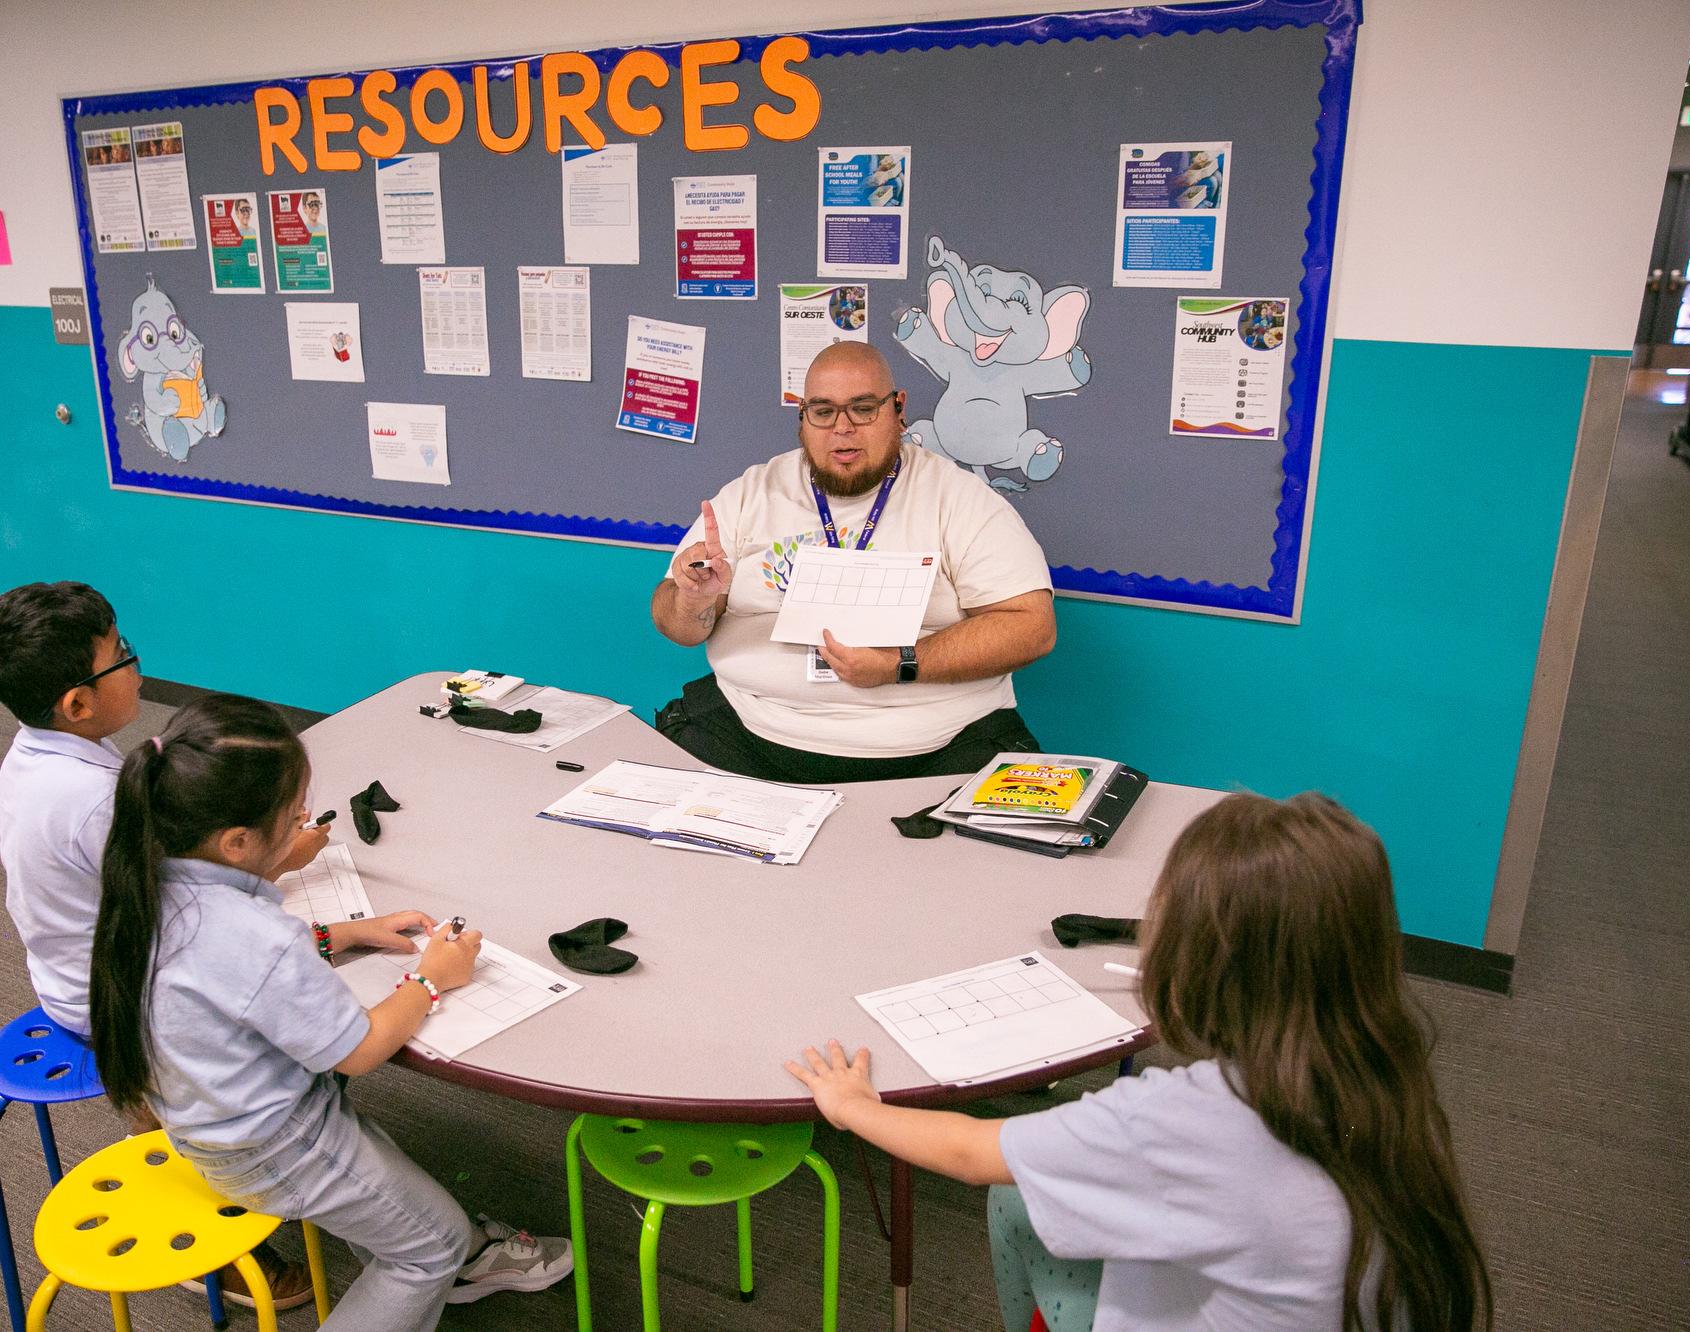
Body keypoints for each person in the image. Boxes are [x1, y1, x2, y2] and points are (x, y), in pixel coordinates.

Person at [786, 792, 1493, 1332]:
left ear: (1199, 960)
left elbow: (974, 1154)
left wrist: (854, 1109)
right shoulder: (1386, 1072)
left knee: (1015, 1201)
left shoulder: (1190, 1115)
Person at [88, 693, 573, 1329]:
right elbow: (361, 1049)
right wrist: (430, 979)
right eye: (292, 822)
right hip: (276, 1143)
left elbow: (224, 976)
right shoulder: (254, 937)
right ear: (236, 842)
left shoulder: (145, 878)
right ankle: (434, 1260)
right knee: (434, 1248)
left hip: (203, 1118)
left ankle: (391, 1226)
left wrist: (345, 932)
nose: (302, 831)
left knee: (387, 1178)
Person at [0, 581, 323, 1308]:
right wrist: (277, 856)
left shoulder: (37, 755)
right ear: (77, 703)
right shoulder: (92, 799)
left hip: (69, 973)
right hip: (116, 1000)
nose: (136, 666)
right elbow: (193, 911)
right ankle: (224, 1245)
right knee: (299, 1020)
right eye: (121, 656)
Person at [652, 341, 1057, 784]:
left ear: (898, 408)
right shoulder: (750, 494)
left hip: (937, 751)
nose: (841, 429)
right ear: (802, 418)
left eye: (862, 408)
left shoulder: (958, 499)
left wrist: (902, 663)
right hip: (749, 734)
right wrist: (693, 600)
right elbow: (678, 627)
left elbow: (1031, 627)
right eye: (823, 412)